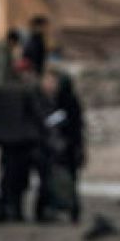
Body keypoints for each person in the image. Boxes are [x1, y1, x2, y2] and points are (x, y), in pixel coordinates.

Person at [0, 58, 46, 222]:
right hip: (24, 141)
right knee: (20, 178)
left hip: (4, 140)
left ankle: (5, 209)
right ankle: (16, 210)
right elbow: (37, 115)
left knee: (6, 176)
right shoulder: (28, 90)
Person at [36, 68, 85, 223]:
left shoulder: (64, 102)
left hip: (63, 148)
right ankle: (69, 210)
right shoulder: (70, 101)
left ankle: (55, 210)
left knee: (55, 179)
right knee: (67, 180)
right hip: (69, 147)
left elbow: (58, 122)